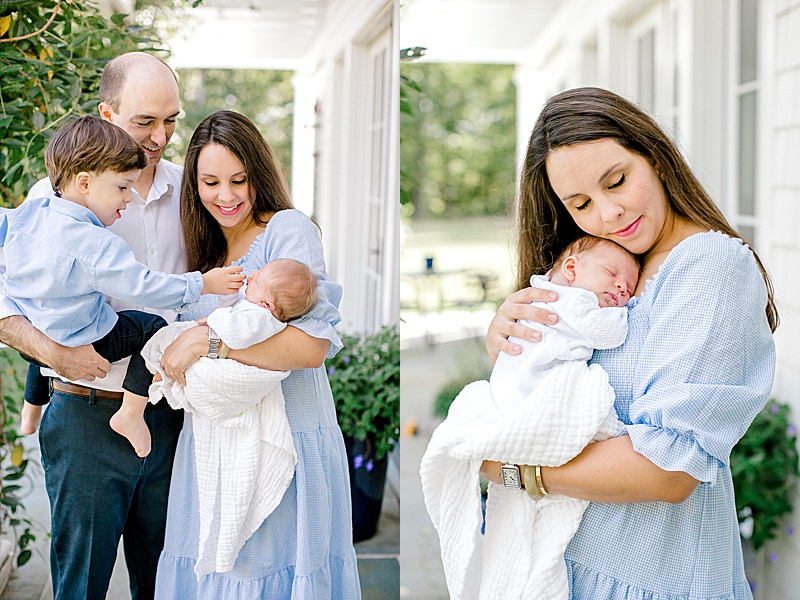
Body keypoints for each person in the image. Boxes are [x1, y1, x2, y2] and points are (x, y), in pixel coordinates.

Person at [480, 87, 776, 599]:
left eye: (617, 181)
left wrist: (513, 468)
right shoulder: (601, 268)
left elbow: (668, 468)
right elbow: (553, 385)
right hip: (557, 563)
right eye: (581, 204)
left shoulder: (709, 268)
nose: (609, 213)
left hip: (649, 576)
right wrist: (513, 345)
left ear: (655, 156)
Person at [151, 110, 360, 598]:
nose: (226, 196)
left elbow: (311, 347)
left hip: (282, 439)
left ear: (258, 176)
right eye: (210, 182)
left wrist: (210, 341)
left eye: (239, 180)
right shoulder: (201, 254)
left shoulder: (287, 230)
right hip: (211, 446)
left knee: (264, 577)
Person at [0, 52, 187, 599]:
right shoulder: (53, 200)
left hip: (173, 419)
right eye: (144, 121)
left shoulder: (195, 193)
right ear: (108, 113)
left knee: (168, 582)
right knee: (80, 586)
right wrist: (54, 355)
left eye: (171, 121)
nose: (160, 137)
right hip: (85, 417)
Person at [421, 235, 638, 599]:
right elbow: (611, 333)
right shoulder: (571, 301)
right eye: (613, 274)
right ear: (571, 269)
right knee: (598, 413)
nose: (622, 288)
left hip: (517, 395)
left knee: (517, 539)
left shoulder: (538, 292)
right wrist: (628, 312)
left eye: (630, 287)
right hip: (532, 398)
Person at [14, 116, 244, 458]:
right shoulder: (98, 243)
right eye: (123, 188)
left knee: (47, 307)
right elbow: (145, 287)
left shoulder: (31, 213)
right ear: (85, 182)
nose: (128, 196)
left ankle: (31, 407)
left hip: (39, 338)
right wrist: (203, 284)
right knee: (151, 325)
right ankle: (131, 414)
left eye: (170, 119)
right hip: (85, 357)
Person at [140, 258, 319, 579]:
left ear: (267, 302)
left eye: (258, 278)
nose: (251, 275)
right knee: (167, 342)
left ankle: (150, 390)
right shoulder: (258, 307)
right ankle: (155, 385)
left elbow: (235, 332)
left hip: (230, 377)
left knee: (160, 337)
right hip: (223, 363)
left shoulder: (261, 316)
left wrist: (208, 329)